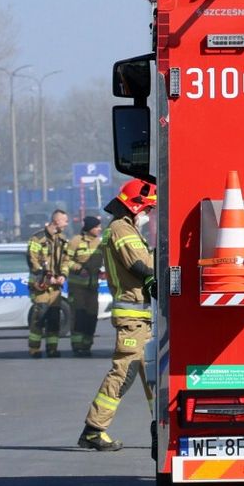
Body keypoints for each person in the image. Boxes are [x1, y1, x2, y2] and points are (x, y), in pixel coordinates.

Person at [78, 181, 156, 451]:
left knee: (153, 375)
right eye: (148, 209)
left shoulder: (126, 227)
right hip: (133, 319)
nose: (149, 214)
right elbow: (141, 265)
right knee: (124, 372)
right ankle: (93, 430)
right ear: (136, 205)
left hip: (142, 318)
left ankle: (161, 427)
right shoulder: (121, 228)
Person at [25, 208, 72, 358]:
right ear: (57, 221)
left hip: (56, 287)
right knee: (40, 316)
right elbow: (32, 261)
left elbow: (66, 260)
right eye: (65, 220)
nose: (67, 223)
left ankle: (52, 348)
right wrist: (46, 275)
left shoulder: (62, 239)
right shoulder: (37, 238)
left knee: (54, 318)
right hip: (41, 286)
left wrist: (63, 275)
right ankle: (34, 349)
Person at [63, 214, 106, 357]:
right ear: (89, 228)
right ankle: (77, 345)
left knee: (91, 317)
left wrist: (101, 272)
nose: (99, 229)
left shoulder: (100, 243)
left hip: (93, 288)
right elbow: (65, 261)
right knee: (79, 316)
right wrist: (78, 269)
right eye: (97, 227)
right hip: (77, 288)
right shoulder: (76, 241)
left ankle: (87, 345)